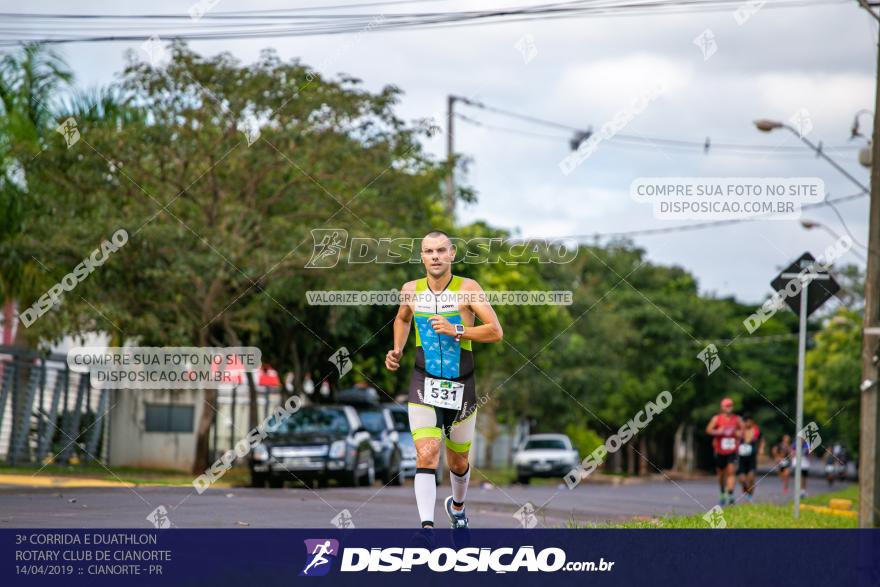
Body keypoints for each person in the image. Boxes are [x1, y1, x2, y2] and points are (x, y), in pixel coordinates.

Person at [385, 230, 503, 529]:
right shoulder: (411, 290)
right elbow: (402, 318)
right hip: (424, 381)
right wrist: (397, 349)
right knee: (426, 453)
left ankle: (458, 507)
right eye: (428, 251)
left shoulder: (468, 289)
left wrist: (457, 330)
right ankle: (426, 528)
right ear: (422, 257)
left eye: (440, 251)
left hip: (461, 384)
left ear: (452, 254)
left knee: (458, 462)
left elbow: (495, 331)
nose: (435, 256)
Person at [705, 397, 742, 506]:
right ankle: (722, 492)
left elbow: (742, 431)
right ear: (722, 407)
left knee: (731, 472)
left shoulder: (737, 419)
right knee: (721, 474)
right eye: (727, 406)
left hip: (732, 450)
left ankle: (730, 494)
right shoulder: (716, 419)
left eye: (730, 405)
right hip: (720, 450)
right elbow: (708, 430)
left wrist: (738, 433)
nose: (729, 408)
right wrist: (718, 431)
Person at [736, 414, 760, 501]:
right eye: (746, 421)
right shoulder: (740, 430)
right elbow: (737, 435)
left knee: (751, 478)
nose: (747, 423)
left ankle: (750, 496)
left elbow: (752, 437)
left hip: (751, 458)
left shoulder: (755, 429)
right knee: (742, 479)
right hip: (742, 458)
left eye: (749, 421)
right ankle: (745, 488)